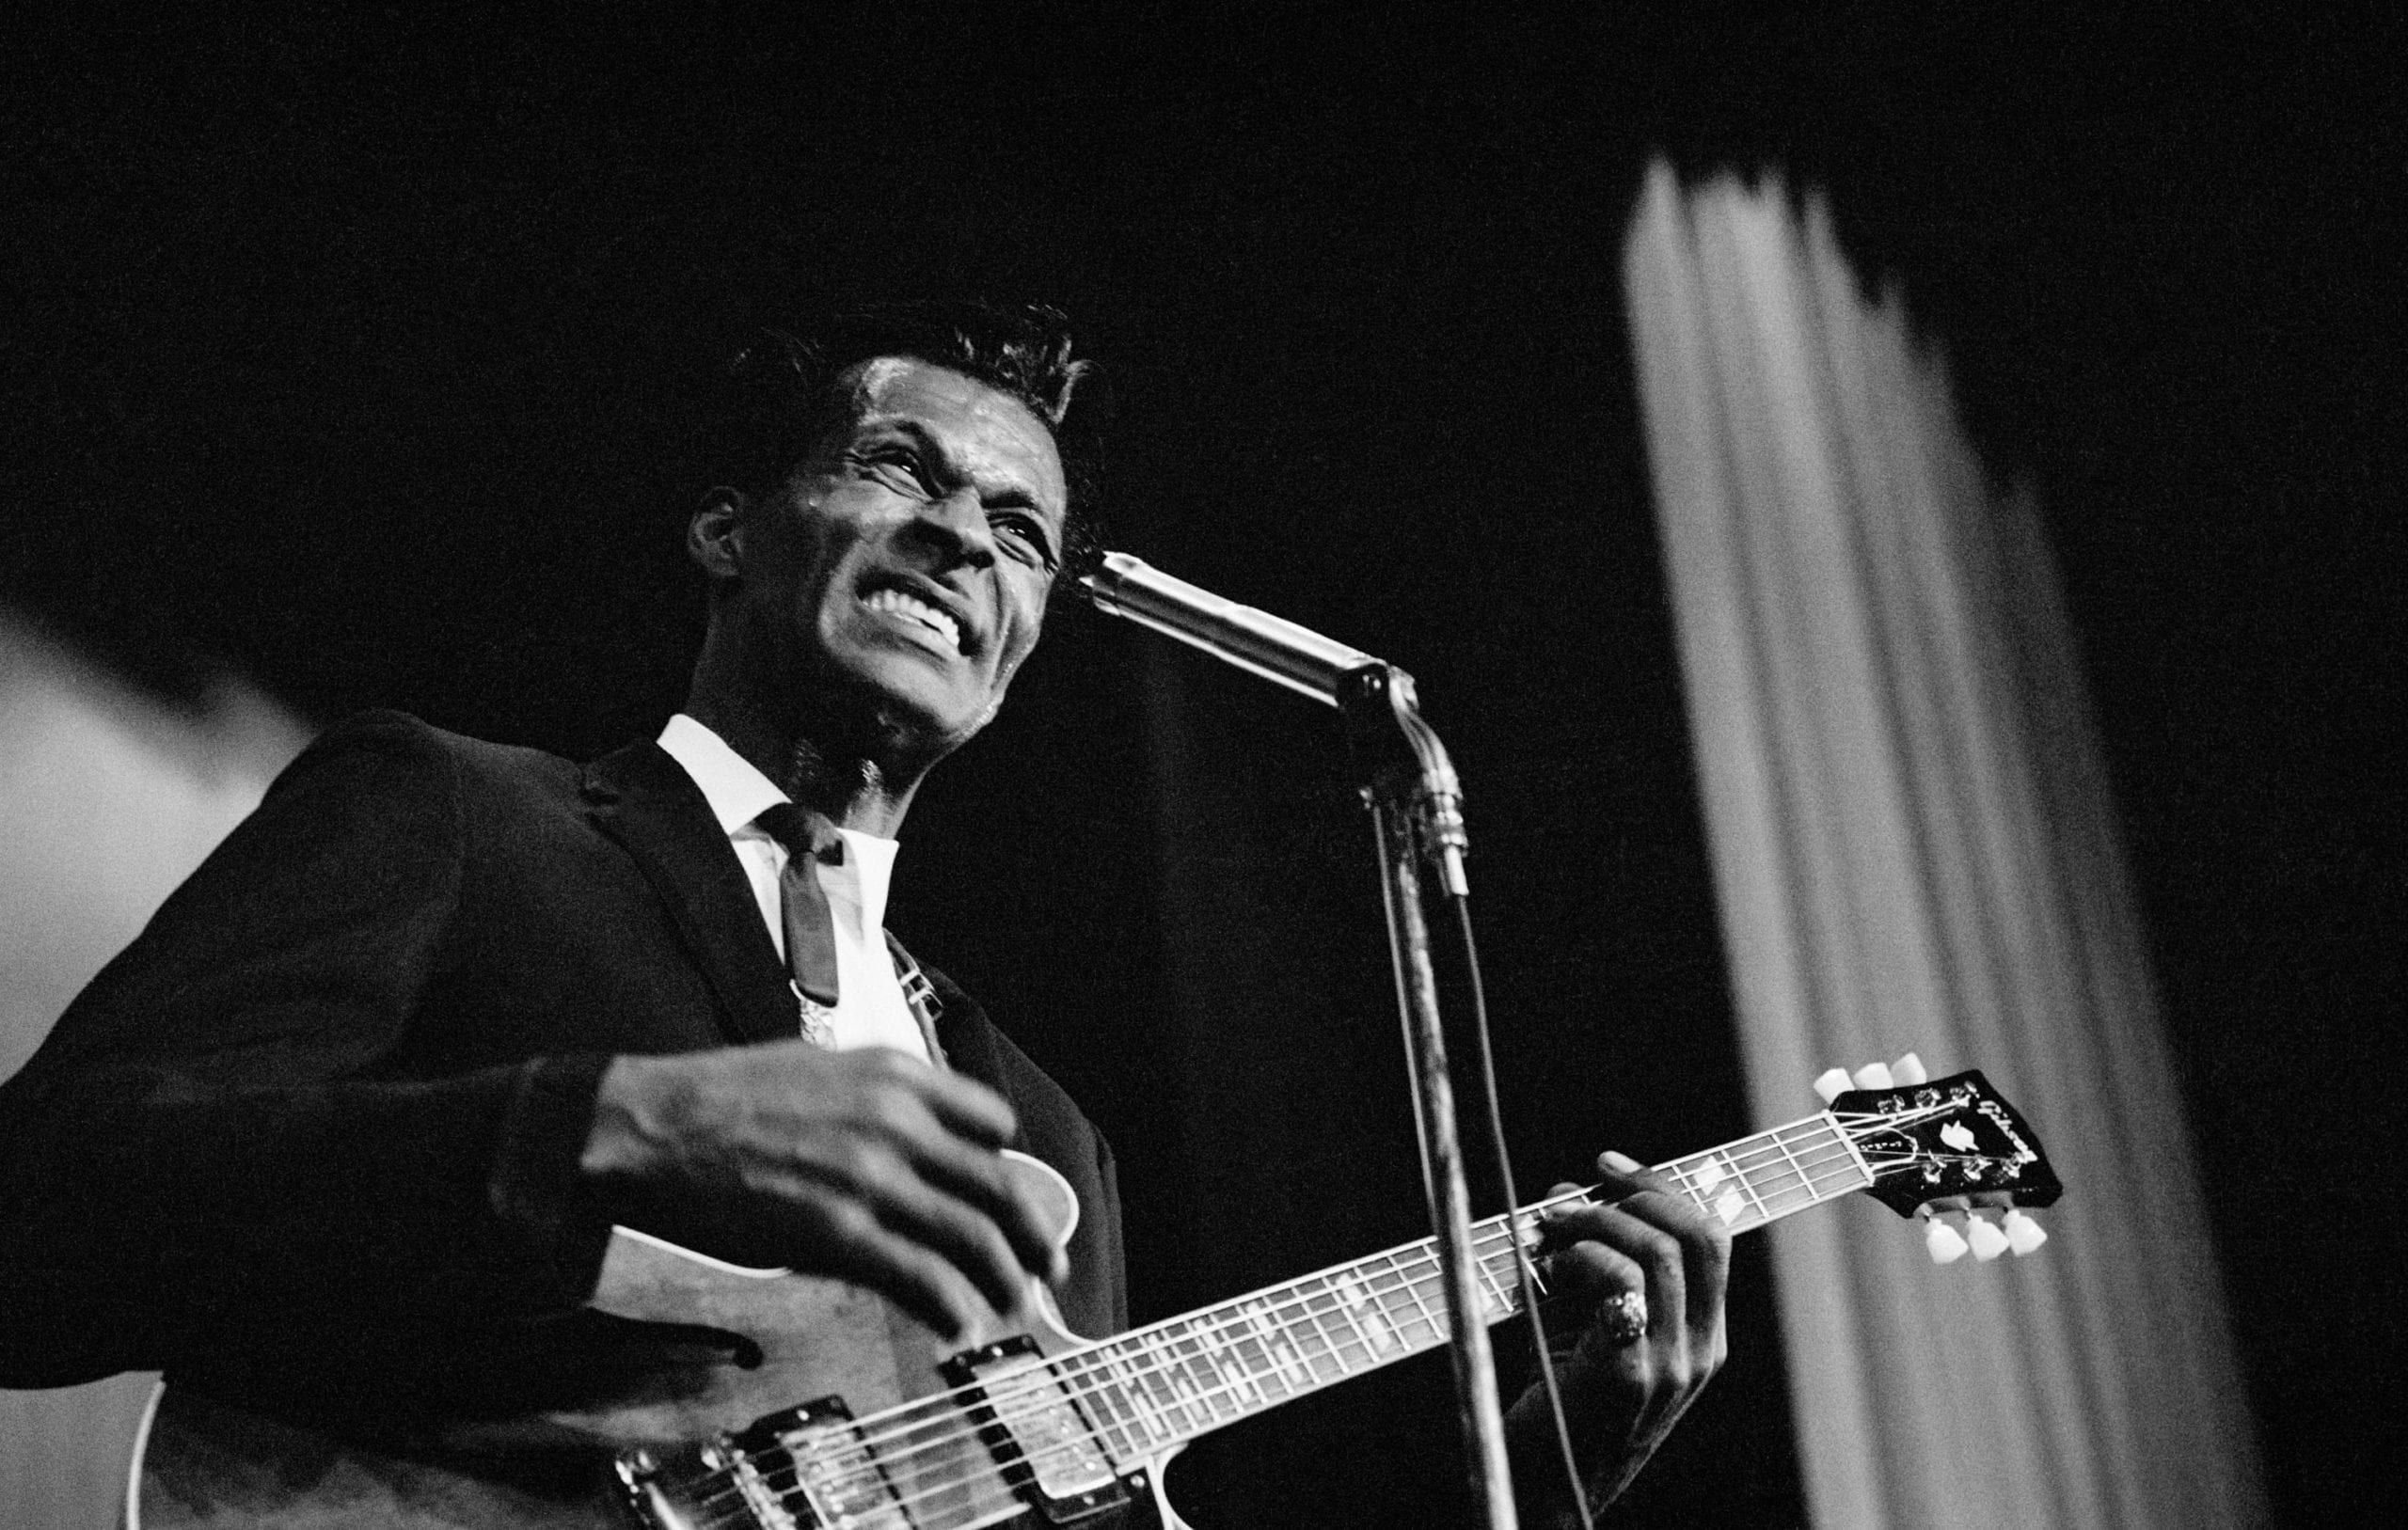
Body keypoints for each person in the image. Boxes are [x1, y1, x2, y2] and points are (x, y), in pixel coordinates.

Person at [0, 303, 1728, 1526]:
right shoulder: (460, 816)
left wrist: (1550, 1464)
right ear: (730, 528)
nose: (964, 536)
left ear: (1027, 639)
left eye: (1023, 534)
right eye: (900, 470)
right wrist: (605, 1121)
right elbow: (42, 1221)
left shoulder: (1046, 1132)